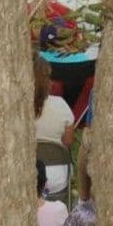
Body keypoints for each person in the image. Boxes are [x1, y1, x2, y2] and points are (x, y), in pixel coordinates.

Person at [33, 56, 77, 197]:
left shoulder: (18, 107)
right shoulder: (60, 105)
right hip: (57, 177)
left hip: (27, 173)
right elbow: (68, 141)